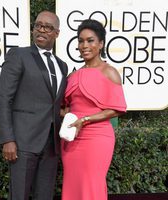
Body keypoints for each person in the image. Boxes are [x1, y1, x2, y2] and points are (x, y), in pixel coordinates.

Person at [0, 10, 68, 200]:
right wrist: (7, 139)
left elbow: (54, 103)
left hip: (51, 144)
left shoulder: (62, 66)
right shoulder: (19, 55)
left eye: (48, 27)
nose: (41, 30)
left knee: (44, 195)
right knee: (19, 195)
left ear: (57, 33)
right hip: (23, 142)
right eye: (38, 25)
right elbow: (3, 98)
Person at [61, 19, 127, 200]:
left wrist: (84, 120)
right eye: (81, 41)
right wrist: (66, 117)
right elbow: (64, 107)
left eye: (90, 40)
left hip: (97, 138)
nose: (84, 45)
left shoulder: (109, 72)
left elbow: (116, 109)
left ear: (101, 44)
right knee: (72, 183)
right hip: (71, 138)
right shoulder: (72, 76)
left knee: (92, 182)